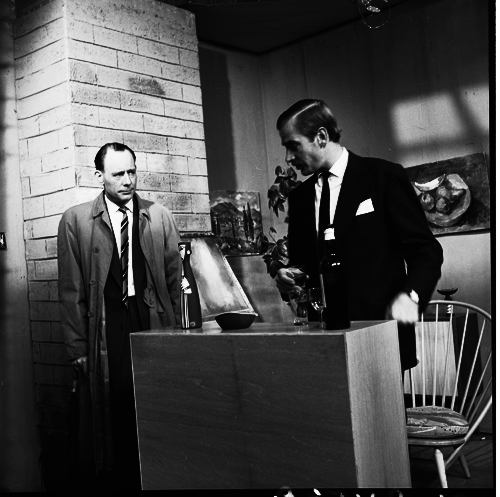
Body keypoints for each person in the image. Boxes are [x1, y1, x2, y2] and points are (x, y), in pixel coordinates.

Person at [274, 99, 444, 371]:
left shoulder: (384, 177)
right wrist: (289, 275)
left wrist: (410, 298)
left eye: (293, 146)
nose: (288, 158)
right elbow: (303, 264)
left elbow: (425, 252)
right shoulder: (299, 198)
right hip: (322, 344)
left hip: (381, 336)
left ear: (321, 137)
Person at [58, 142, 181, 490]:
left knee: (155, 399)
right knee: (114, 405)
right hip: (106, 322)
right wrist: (77, 347)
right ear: (99, 176)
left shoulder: (159, 216)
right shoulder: (76, 220)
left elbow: (175, 279)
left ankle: (158, 471)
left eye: (132, 172)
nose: (127, 180)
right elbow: (70, 290)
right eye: (118, 174)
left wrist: (182, 333)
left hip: (150, 317)